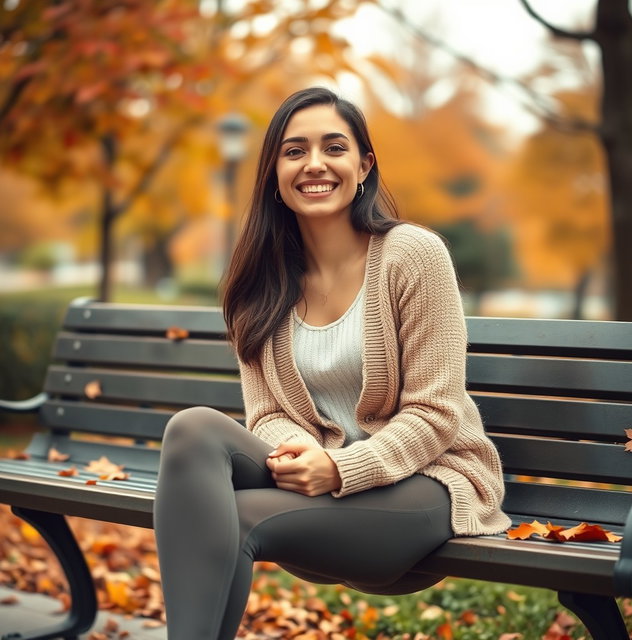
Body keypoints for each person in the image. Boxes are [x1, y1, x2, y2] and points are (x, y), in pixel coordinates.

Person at [153, 86, 511, 640]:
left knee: (235, 517)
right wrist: (312, 455)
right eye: (294, 151)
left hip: (426, 486)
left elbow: (437, 413)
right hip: (320, 483)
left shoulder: (412, 255)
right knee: (193, 428)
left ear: (364, 165)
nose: (314, 164)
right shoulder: (259, 283)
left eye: (333, 147)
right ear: (274, 172)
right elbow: (267, 413)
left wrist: (343, 468)